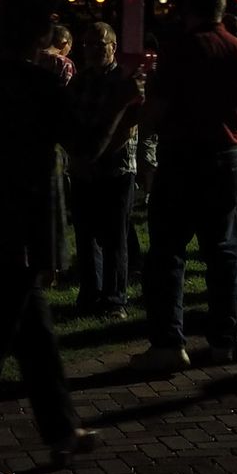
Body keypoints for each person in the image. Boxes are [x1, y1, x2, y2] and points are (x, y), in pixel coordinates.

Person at [0, 0, 139, 474]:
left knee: (34, 338)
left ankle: (61, 430)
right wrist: (122, 102)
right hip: (25, 226)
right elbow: (86, 146)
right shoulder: (39, 85)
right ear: (40, 32)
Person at [135, 0, 237, 368]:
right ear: (222, 8)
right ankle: (224, 340)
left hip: (182, 157)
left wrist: (141, 110)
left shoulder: (181, 50)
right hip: (225, 157)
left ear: (187, 8)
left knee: (168, 253)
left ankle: (169, 343)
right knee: (224, 253)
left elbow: (157, 111)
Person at [68, 22, 143, 315]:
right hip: (84, 167)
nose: (94, 50)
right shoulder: (79, 81)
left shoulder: (124, 81)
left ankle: (114, 299)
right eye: (88, 45)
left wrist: (96, 154)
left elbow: (129, 127)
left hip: (117, 167)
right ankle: (90, 294)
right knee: (86, 236)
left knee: (115, 237)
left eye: (100, 44)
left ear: (113, 47)